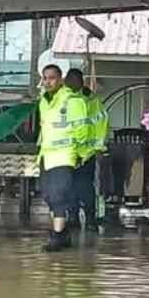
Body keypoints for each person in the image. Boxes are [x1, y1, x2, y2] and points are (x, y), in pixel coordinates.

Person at [37, 64, 91, 252]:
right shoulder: (45, 101)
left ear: (60, 79)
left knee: (58, 195)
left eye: (51, 78)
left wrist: (80, 154)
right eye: (45, 78)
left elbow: (82, 130)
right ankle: (62, 232)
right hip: (46, 155)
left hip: (65, 155)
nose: (47, 82)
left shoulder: (72, 100)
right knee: (48, 196)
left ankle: (58, 235)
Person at [65, 68, 109, 231]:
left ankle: (89, 217)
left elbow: (101, 124)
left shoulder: (91, 100)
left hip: (86, 153)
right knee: (70, 187)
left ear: (81, 81)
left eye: (74, 80)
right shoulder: (64, 99)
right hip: (69, 152)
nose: (71, 84)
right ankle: (73, 217)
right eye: (69, 81)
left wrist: (99, 148)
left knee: (84, 187)